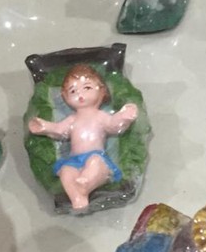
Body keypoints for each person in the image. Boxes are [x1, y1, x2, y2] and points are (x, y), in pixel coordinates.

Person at [27, 64, 138, 210]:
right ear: (65, 96)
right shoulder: (72, 119)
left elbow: (113, 125)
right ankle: (77, 197)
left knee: (95, 162)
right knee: (66, 170)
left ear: (102, 91)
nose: (80, 94)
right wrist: (45, 127)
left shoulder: (100, 116)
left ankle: (86, 183)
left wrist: (123, 117)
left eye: (87, 88)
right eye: (73, 91)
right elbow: (60, 130)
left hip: (95, 156)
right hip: (75, 159)